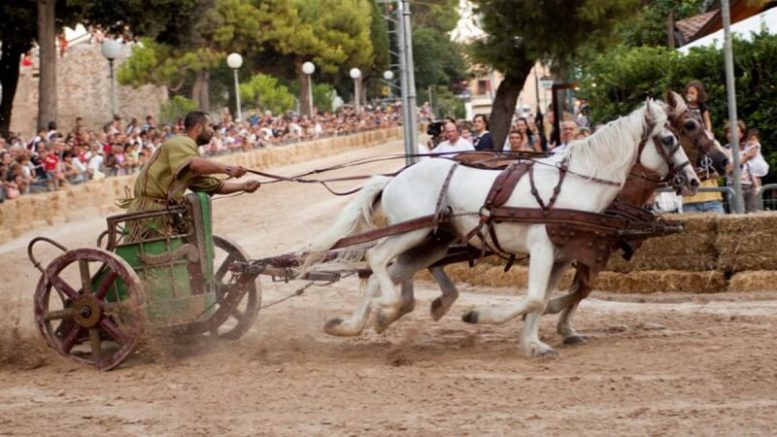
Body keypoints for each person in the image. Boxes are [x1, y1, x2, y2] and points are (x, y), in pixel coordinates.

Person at [123, 111, 261, 236]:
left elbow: (214, 186)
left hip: (162, 211)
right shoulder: (181, 142)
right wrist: (229, 169)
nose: (213, 131)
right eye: (210, 126)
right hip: (149, 211)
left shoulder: (187, 156)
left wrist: (243, 186)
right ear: (199, 127)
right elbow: (195, 164)